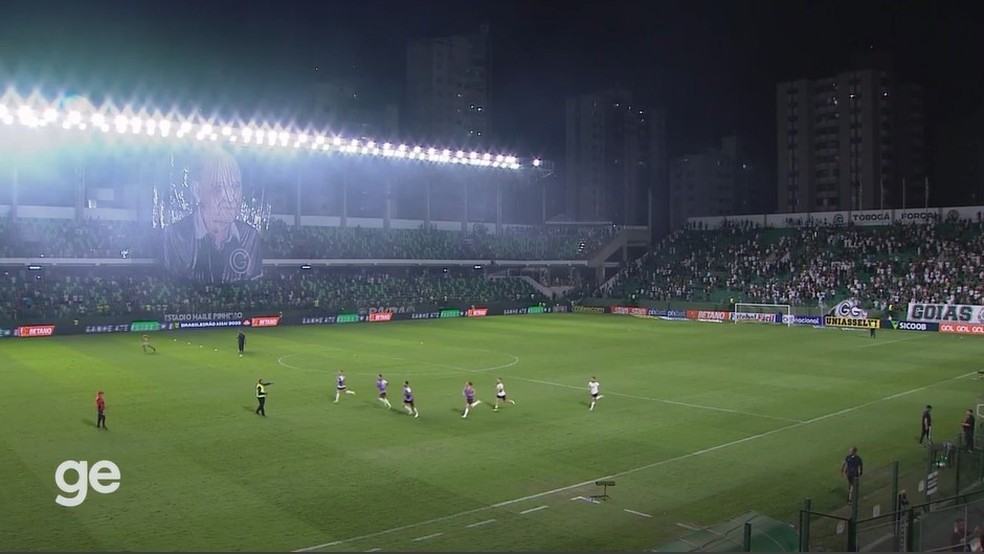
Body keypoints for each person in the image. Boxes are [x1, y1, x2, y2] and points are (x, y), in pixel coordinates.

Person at [162, 148, 262, 283]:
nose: (230, 198)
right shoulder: (175, 237)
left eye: (235, 186)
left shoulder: (250, 237)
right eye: (219, 188)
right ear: (197, 191)